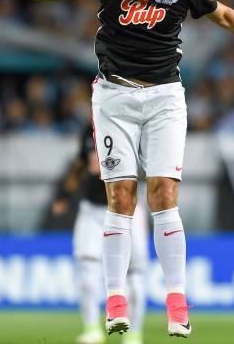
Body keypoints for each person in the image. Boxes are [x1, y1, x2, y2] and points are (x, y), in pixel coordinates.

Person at [0, 0, 234, 338]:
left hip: (165, 99)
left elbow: (223, 14)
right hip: (114, 96)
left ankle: (176, 300)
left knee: (163, 196)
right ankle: (115, 300)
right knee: (119, 197)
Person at [51, 124, 148, 344]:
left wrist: (110, 164)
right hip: (92, 210)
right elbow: (79, 164)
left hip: (127, 211)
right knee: (86, 268)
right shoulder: (88, 131)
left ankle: (133, 335)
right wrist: (64, 194)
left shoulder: (133, 129)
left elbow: (146, 167)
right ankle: (92, 329)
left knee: (133, 275)